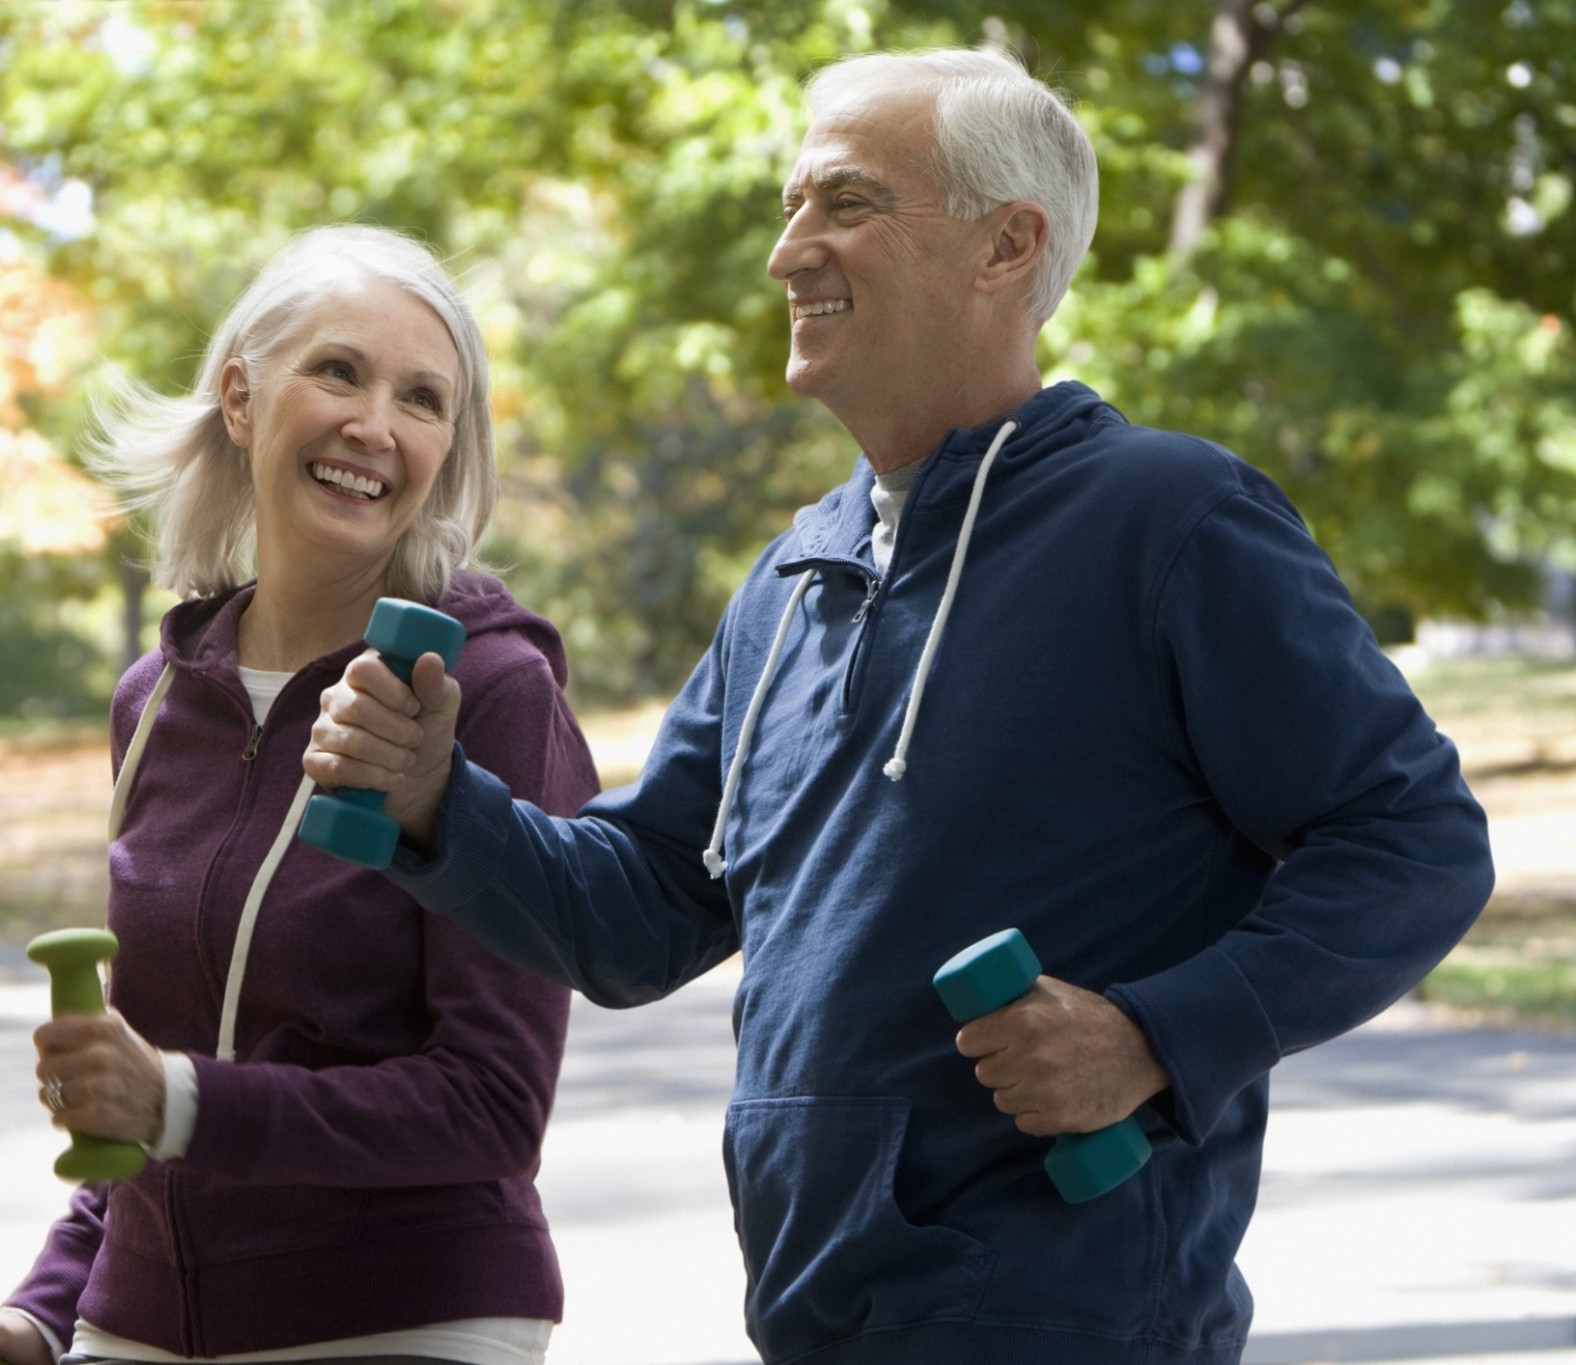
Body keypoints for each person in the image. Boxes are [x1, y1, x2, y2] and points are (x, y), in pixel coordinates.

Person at [303, 49, 1494, 1365]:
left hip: (1069, 1317)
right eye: (790, 205)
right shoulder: (794, 576)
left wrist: (1156, 1037)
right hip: (816, 1310)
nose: (788, 252)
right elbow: (636, 914)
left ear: (1005, 247)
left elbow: (1416, 838)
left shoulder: (1169, 521)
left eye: (846, 203)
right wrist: (435, 799)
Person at [0, 224, 600, 1365]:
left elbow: (494, 1104)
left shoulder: (479, 692)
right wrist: (44, 1305)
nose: (375, 426)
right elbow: (161, 1069)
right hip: (144, 1318)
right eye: (338, 371)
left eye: (422, 399)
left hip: (406, 1313)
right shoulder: (155, 699)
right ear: (240, 398)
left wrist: (174, 1100)